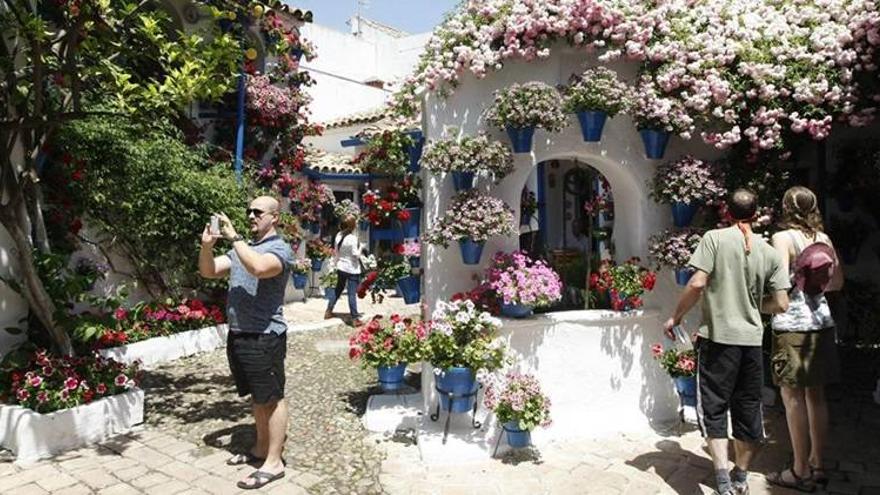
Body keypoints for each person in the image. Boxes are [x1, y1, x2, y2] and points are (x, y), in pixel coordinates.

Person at [663, 189, 791, 495]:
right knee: (748, 407)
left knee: (715, 408)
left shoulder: (714, 239)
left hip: (718, 340)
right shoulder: (769, 251)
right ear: (756, 212)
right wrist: (753, 305)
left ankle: (721, 478)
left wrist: (676, 317)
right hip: (751, 341)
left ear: (727, 212)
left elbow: (696, 282)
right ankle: (740, 475)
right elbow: (782, 304)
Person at [198, 196, 294, 490]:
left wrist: (235, 237)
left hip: (265, 335)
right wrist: (206, 246)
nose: (251, 215)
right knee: (256, 396)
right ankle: (260, 449)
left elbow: (259, 269)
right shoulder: (243, 248)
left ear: (274, 217)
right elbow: (209, 271)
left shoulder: (279, 249)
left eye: (257, 212)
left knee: (272, 397)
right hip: (239, 333)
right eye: (248, 211)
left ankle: (274, 462)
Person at [766, 186, 843, 492]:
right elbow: (836, 283)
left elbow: (780, 283)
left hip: (792, 326)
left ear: (785, 207)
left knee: (792, 398)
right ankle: (818, 464)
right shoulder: (824, 239)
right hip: (822, 323)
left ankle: (798, 470)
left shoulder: (782, 238)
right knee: (817, 396)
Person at [324, 215, 365, 326]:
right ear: (352, 226)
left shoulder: (338, 235)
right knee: (351, 293)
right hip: (352, 269)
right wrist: (361, 247)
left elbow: (336, 252)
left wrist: (335, 263)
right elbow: (356, 255)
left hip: (341, 267)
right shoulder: (352, 238)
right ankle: (355, 318)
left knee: (338, 289)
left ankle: (328, 311)